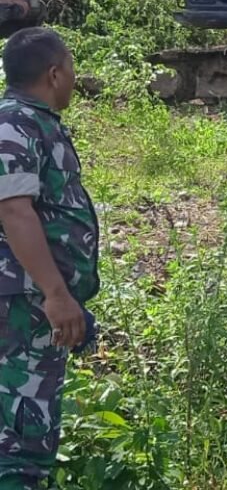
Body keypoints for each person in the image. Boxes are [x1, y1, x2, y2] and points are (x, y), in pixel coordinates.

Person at [0, 28, 100, 489]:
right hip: (22, 304)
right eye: (72, 69)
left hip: (31, 302)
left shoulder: (33, 123)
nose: (75, 79)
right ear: (55, 74)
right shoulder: (14, 124)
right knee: (20, 443)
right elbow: (14, 212)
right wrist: (57, 294)